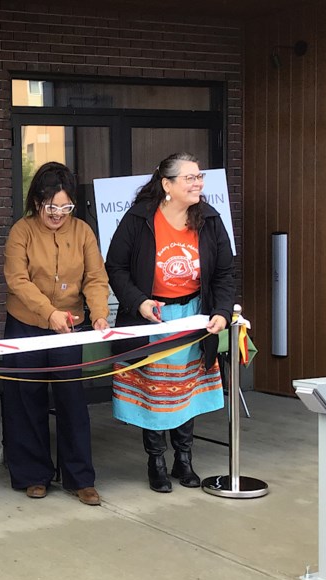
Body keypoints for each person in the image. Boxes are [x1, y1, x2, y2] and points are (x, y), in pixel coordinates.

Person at [105, 152, 235, 493]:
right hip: (153, 317)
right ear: (167, 184)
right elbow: (115, 267)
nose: (198, 184)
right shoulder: (139, 219)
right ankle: (156, 461)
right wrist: (139, 302)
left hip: (193, 315)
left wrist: (221, 311)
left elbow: (224, 272)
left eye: (199, 177)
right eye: (189, 178)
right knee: (154, 391)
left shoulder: (209, 218)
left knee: (185, 392)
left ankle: (184, 459)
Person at [1, 162, 109, 506]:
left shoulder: (83, 232)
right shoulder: (22, 231)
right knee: (25, 399)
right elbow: (17, 280)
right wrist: (49, 314)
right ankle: (34, 475)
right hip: (26, 325)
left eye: (65, 207)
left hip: (69, 326)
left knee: (71, 400)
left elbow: (95, 278)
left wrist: (100, 316)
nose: (58, 214)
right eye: (52, 207)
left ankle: (80, 478)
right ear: (37, 203)